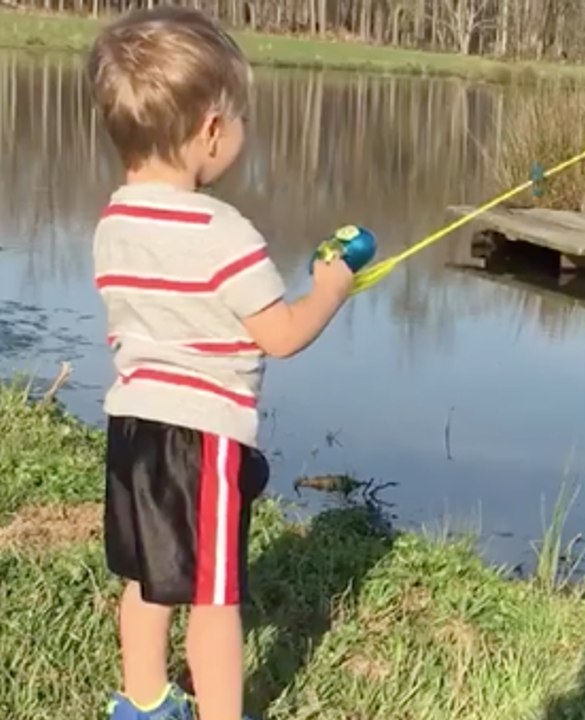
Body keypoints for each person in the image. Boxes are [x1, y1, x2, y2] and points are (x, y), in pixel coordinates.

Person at [87, 7, 368, 719]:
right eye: (238, 119)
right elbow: (280, 334)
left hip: (132, 429)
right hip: (200, 441)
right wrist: (331, 288)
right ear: (211, 129)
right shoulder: (224, 233)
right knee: (215, 598)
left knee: (146, 581)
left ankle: (144, 702)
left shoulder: (113, 220)